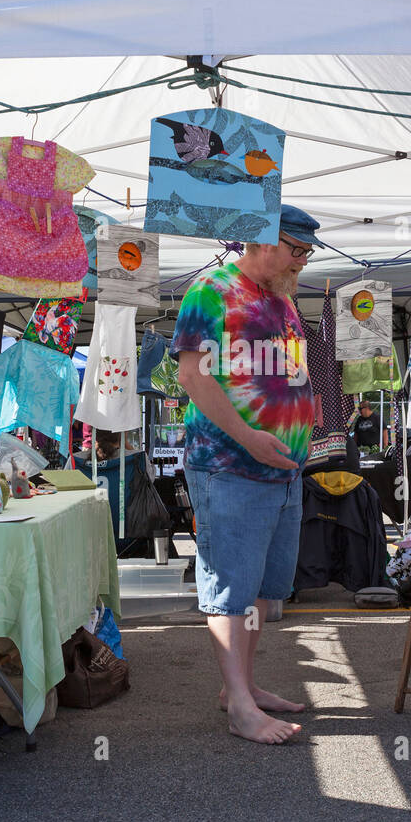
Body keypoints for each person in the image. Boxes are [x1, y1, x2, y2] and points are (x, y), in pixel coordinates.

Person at [172, 204, 320, 745]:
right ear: (260, 238)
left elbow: (293, 367)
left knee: (262, 589)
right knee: (231, 587)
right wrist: (250, 436)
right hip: (231, 466)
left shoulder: (281, 299)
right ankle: (237, 703)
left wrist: (310, 406)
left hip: (282, 469)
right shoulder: (211, 291)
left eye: (306, 251)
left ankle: (244, 686)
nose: (302, 260)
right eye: (295, 248)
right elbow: (192, 376)